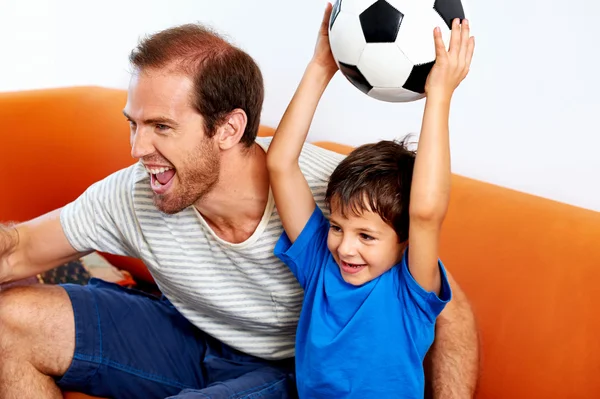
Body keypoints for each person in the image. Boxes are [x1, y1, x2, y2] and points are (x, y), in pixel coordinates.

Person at [0, 9, 479, 399]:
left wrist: (439, 96)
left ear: (229, 128)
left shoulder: (342, 203)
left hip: (281, 372)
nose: (137, 148)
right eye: (134, 124)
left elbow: (440, 280)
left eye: (162, 127)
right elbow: (18, 248)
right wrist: (320, 66)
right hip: (186, 336)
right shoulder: (321, 241)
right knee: (8, 322)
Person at [266, 3, 475, 397]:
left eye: (367, 236)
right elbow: (279, 163)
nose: (345, 246)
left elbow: (426, 211)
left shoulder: (411, 292)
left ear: (404, 240)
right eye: (337, 226)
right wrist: (320, 68)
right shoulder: (319, 264)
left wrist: (439, 96)